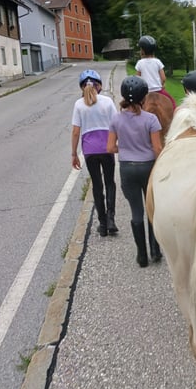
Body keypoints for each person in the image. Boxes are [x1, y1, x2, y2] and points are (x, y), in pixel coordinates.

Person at [107, 75, 163, 267]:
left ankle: (141, 255)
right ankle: (155, 250)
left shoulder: (116, 119)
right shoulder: (151, 119)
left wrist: (125, 148)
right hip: (147, 168)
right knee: (152, 210)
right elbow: (157, 149)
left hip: (127, 169)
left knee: (136, 211)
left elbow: (110, 148)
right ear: (144, 98)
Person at [71, 69, 119, 237]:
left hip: (90, 151)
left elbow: (76, 132)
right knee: (110, 182)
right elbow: (116, 124)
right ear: (99, 86)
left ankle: (103, 223)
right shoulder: (107, 102)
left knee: (97, 186)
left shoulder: (78, 104)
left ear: (82, 87)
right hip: (107, 148)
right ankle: (112, 219)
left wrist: (74, 154)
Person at [135, 35, 176, 110]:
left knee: (134, 106)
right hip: (159, 91)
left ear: (143, 51)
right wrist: (162, 84)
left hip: (145, 92)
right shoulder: (158, 62)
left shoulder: (140, 63)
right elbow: (163, 78)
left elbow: (137, 80)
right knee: (172, 102)